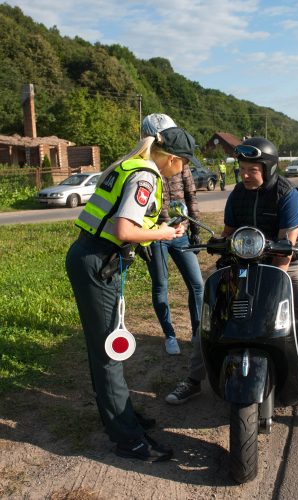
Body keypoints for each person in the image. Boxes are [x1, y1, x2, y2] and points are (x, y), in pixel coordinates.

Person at [166, 137, 298, 434]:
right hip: (242, 261)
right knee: (211, 316)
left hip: (287, 265)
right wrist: (217, 242)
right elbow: (228, 231)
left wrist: (271, 288)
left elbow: (286, 248)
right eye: (242, 169)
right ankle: (194, 379)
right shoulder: (237, 193)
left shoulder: (287, 195)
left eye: (252, 169)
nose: (246, 174)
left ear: (268, 167)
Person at [66, 126, 199, 461]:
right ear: (172, 159)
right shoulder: (145, 177)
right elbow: (124, 229)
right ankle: (127, 438)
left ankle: (121, 417)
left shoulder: (132, 166)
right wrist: (165, 232)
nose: (184, 169)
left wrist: (159, 230)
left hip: (94, 259)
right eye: (185, 163)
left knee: (106, 349)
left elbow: (118, 223)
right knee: (110, 353)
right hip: (97, 263)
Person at [140, 114, 204, 355]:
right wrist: (141, 239)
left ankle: (198, 334)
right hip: (155, 236)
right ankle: (169, 334)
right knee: (161, 285)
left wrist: (195, 228)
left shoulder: (180, 162)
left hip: (180, 230)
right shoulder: (143, 166)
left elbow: (191, 195)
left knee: (197, 284)